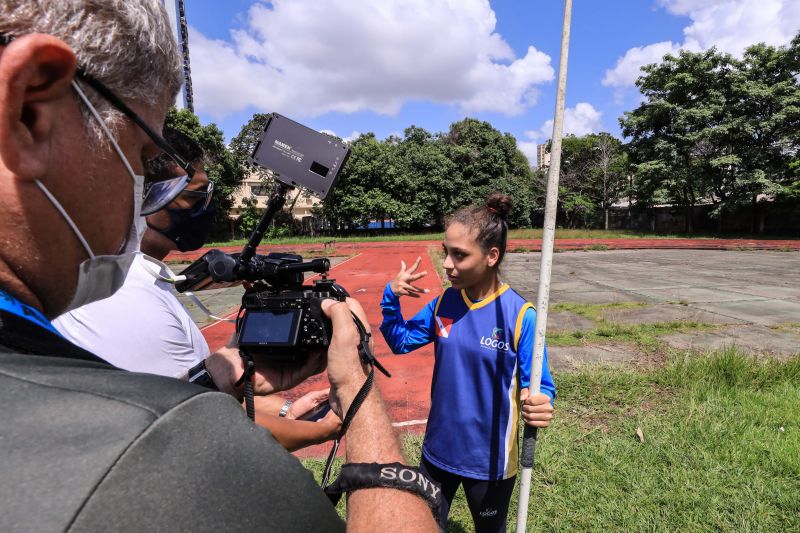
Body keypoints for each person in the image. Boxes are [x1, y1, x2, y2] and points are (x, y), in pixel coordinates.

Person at [0, 2, 437, 531]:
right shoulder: (137, 457)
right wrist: (360, 393)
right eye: (142, 155)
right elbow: (137, 427)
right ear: (29, 109)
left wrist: (210, 381)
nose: (144, 196)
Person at [52, 127, 341, 451]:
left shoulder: (123, 277)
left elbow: (193, 393)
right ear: (143, 197)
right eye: (194, 196)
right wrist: (324, 430)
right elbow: (199, 429)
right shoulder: (126, 300)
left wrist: (287, 410)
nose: (205, 206)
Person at [380, 193, 557, 532]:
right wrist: (391, 297)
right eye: (446, 251)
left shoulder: (522, 316)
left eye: (459, 255)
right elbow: (400, 341)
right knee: (425, 526)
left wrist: (541, 401)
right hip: (437, 452)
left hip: (489, 462)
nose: (447, 263)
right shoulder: (444, 302)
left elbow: (540, 382)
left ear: (492, 256)